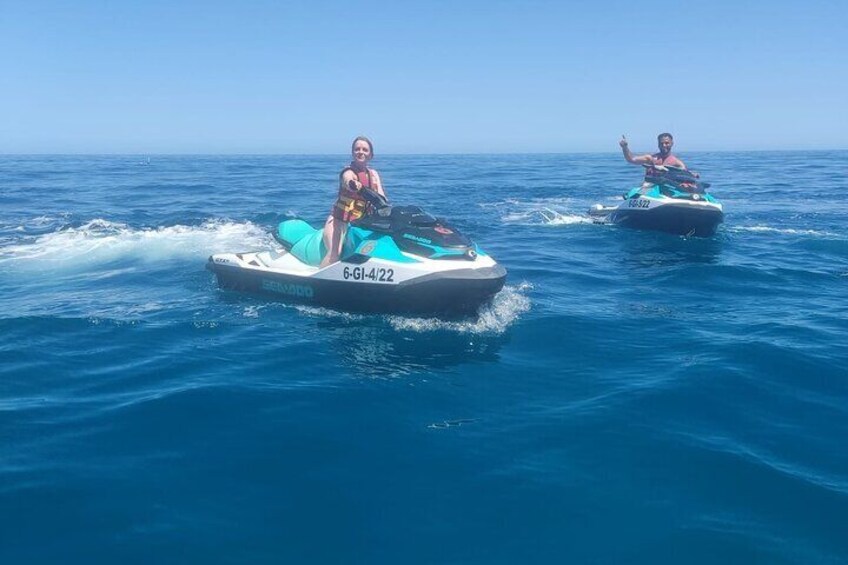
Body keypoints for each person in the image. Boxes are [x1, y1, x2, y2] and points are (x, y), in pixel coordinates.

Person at [319, 136, 386, 267]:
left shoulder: (373, 174)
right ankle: (314, 282)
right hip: (339, 223)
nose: (361, 152)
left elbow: (382, 196)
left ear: (371, 155)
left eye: (365, 149)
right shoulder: (348, 171)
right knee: (335, 253)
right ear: (352, 153)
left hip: (362, 222)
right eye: (357, 149)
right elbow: (347, 179)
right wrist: (352, 183)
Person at [619, 132, 698, 191]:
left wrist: (691, 175)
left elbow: (685, 174)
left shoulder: (677, 163)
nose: (664, 145)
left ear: (672, 143)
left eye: (667, 143)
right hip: (648, 187)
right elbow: (631, 159)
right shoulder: (650, 159)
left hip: (667, 189)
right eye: (661, 143)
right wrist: (624, 147)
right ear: (658, 144)